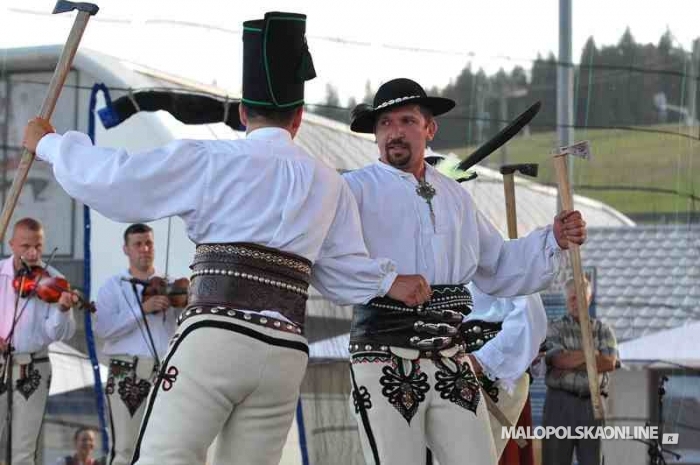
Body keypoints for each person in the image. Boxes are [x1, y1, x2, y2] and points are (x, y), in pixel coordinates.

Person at [23, 12, 430, 465]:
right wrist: (390, 281)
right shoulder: (327, 182)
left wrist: (50, 145)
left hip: (217, 336)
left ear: (241, 113)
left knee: (165, 458)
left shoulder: (214, 159)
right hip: (284, 353)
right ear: (298, 118)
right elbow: (341, 276)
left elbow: (116, 180)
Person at [339, 77, 587, 465]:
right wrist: (386, 282)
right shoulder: (353, 190)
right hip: (383, 355)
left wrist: (552, 238)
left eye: (406, 121)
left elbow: (499, 266)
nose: (394, 132)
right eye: (385, 124)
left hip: (451, 358)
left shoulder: (456, 197)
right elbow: (329, 259)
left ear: (429, 128)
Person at [95, 224, 183, 465]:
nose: (145, 249)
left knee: (166, 447)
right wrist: (141, 310)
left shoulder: (173, 285)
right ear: (126, 249)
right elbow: (103, 329)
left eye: (149, 243)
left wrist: (185, 305)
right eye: (138, 244)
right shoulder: (113, 286)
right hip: (127, 372)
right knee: (124, 448)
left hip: (164, 373)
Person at [0, 218, 76, 465]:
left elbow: (58, 333)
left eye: (38, 246)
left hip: (33, 366)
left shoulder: (54, 279)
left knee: (24, 448)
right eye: (25, 246)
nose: (32, 253)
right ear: (11, 245)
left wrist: (62, 310)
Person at [462, 286, 546, 459]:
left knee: (500, 456)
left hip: (501, 378)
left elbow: (529, 319)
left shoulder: (513, 262)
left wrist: (482, 360)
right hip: (454, 372)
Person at [542, 277, 617, 465]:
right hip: (559, 404)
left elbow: (609, 362)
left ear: (589, 299)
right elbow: (558, 360)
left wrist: (572, 358)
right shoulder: (554, 327)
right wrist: (592, 354)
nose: (576, 303)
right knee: (554, 460)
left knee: (593, 460)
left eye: (581, 298)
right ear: (566, 300)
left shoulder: (603, 330)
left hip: (592, 404)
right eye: (572, 298)